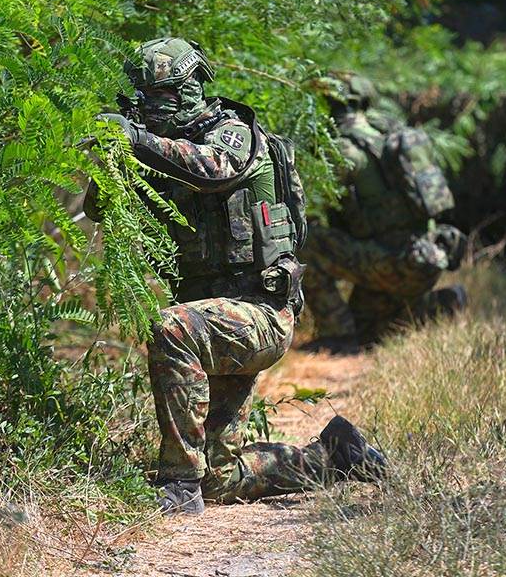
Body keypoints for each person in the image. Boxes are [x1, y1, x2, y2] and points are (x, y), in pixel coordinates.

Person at [84, 38, 386, 515]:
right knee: (221, 479)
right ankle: (333, 457)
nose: (149, 110)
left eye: (159, 97)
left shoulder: (232, 132)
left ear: (190, 89)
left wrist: (139, 140)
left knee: (170, 327)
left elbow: (215, 171)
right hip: (213, 323)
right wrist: (115, 156)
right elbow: (100, 209)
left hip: (259, 314)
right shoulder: (154, 149)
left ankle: (177, 481)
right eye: (140, 100)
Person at [301, 72, 467, 345]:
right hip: (424, 258)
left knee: (305, 241)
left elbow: (309, 206)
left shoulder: (342, 147)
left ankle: (336, 337)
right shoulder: (391, 133)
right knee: (369, 332)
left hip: (390, 261)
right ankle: (440, 304)